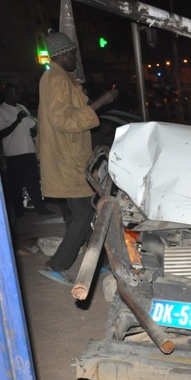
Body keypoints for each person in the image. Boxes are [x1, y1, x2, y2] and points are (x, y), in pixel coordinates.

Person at [36, 30, 118, 286]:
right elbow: (63, 120)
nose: (75, 57)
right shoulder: (58, 80)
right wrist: (98, 104)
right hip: (67, 161)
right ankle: (56, 264)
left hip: (67, 158)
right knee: (85, 215)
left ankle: (98, 263)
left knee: (87, 213)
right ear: (61, 55)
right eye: (71, 53)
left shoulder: (58, 78)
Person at [0, 83, 54, 218]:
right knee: (16, 185)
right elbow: (0, 134)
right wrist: (17, 121)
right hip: (14, 153)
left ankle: (41, 208)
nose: (19, 95)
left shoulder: (21, 107)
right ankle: (18, 212)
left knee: (33, 181)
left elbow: (33, 124)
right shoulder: (0, 110)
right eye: (16, 92)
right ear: (9, 93)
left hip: (28, 150)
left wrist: (34, 131)